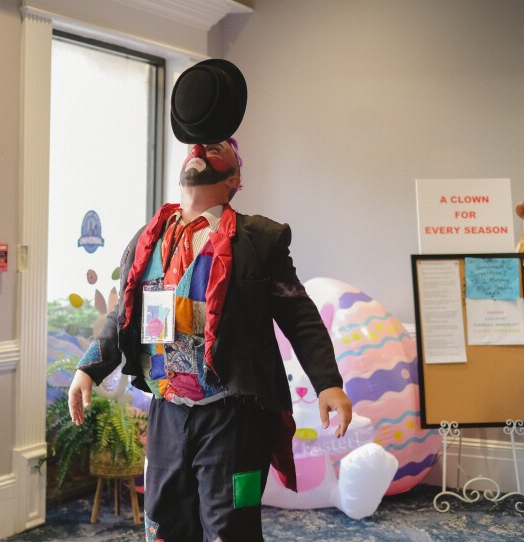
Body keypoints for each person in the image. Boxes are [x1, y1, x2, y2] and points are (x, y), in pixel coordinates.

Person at [67, 58, 352, 542]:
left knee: (230, 528)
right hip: (168, 412)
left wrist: (328, 383)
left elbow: (298, 313)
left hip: (233, 416)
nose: (202, 148)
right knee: (164, 525)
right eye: (198, 145)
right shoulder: (147, 240)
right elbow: (125, 314)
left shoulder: (260, 239)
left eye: (219, 147)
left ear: (236, 179)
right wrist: (88, 368)